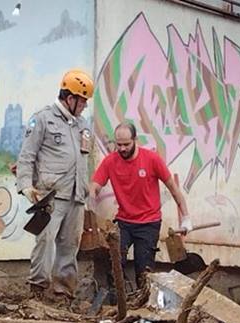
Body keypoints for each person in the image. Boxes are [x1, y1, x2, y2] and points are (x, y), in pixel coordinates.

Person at [16, 69, 93, 299]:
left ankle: (63, 292)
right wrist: (26, 186)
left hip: (76, 195)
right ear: (70, 98)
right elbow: (27, 155)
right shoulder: (42, 119)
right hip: (51, 195)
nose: (85, 106)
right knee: (45, 241)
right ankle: (38, 289)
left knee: (70, 245)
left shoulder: (82, 124)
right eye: (82, 101)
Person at [89, 122, 190, 285]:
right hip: (124, 222)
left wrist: (186, 217)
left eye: (126, 144)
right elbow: (94, 187)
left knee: (144, 272)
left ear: (135, 140)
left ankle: (142, 298)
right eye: (118, 144)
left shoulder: (152, 159)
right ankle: (115, 298)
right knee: (114, 264)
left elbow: (173, 188)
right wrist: (91, 209)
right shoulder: (110, 161)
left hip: (148, 223)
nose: (122, 149)